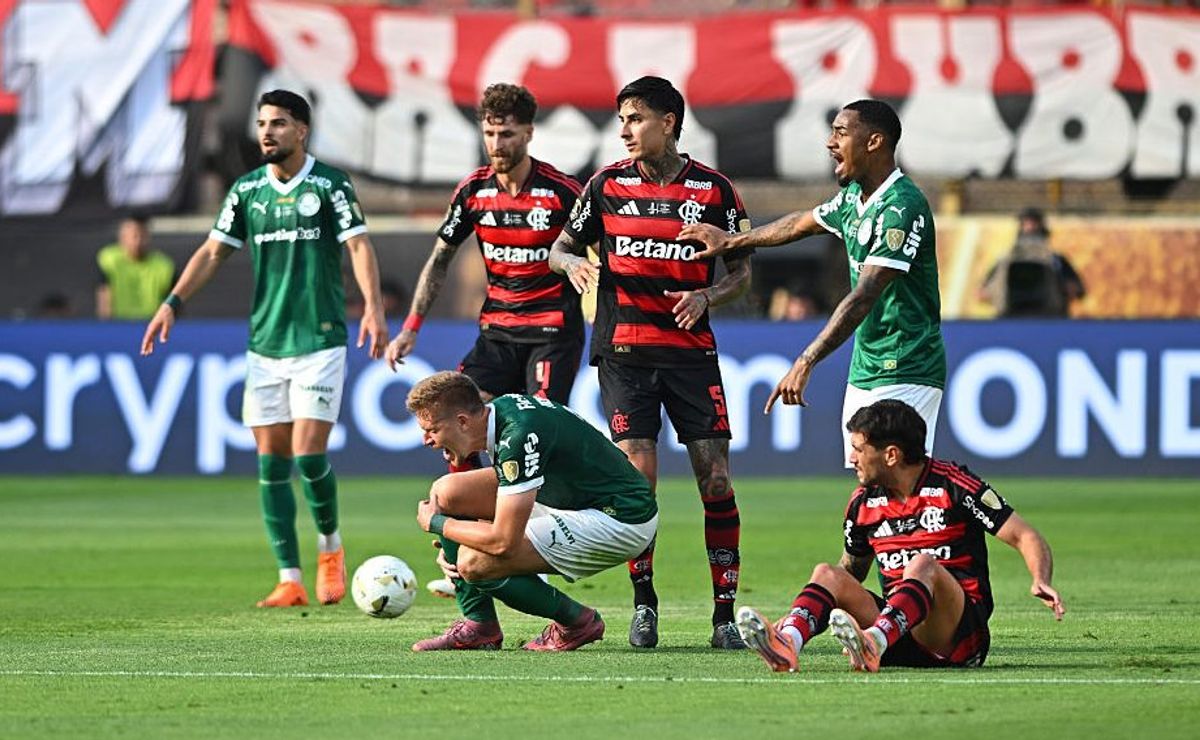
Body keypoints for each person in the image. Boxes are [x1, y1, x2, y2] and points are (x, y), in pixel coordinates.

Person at [140, 89, 389, 608]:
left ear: (302, 130)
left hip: (319, 339)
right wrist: (172, 303)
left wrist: (372, 305)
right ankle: (289, 577)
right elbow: (212, 252)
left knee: (307, 453)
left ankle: (330, 548)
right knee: (271, 462)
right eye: (261, 123)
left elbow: (359, 245)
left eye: (278, 123)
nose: (266, 132)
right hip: (265, 345)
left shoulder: (328, 185)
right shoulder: (247, 190)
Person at [549, 76, 753, 650]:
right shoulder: (605, 185)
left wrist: (708, 295)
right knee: (639, 481)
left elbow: (742, 270)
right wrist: (574, 268)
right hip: (624, 353)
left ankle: (724, 616)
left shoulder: (716, 191)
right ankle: (645, 606)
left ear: (668, 121)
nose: (625, 129)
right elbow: (560, 247)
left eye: (635, 118)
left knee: (715, 479)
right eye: (621, 119)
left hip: (690, 354)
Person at [385, 83, 584, 599]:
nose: (497, 144)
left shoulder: (563, 191)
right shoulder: (473, 190)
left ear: (529, 133)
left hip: (552, 334)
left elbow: (602, 255)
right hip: (495, 333)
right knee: (455, 422)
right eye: (490, 133)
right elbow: (440, 259)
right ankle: (459, 554)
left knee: (536, 439)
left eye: (508, 134)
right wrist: (410, 326)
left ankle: (529, 551)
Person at [680, 99, 945, 469]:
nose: (830, 142)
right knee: (866, 476)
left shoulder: (902, 207)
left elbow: (864, 296)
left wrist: (806, 360)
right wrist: (732, 241)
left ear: (873, 142)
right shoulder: (854, 198)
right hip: (866, 365)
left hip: (907, 362)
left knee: (901, 481)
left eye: (841, 132)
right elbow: (798, 224)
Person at [736, 399, 1065, 673]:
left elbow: (1024, 535)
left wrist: (1040, 578)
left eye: (859, 449)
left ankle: (872, 643)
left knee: (923, 564)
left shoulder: (954, 486)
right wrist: (806, 612)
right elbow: (850, 573)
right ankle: (787, 643)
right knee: (826, 573)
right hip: (900, 633)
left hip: (959, 636)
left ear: (891, 455)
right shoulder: (863, 503)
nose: (851, 459)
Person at [407, 371, 658, 652]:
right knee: (447, 492)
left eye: (432, 430)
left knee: (474, 562)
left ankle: (577, 622)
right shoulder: (502, 410)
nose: (425, 440)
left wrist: (440, 524)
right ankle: (479, 626)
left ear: (463, 422)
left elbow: (503, 541)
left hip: (620, 519)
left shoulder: (517, 436)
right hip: (569, 497)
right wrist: (457, 533)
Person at [981, 207, 1086, 317]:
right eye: (1026, 223)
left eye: (1034, 223)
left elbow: (1077, 289)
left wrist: (1066, 288)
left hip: (1050, 317)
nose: (1030, 227)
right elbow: (982, 293)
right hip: (1010, 316)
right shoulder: (1005, 260)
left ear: (1041, 226)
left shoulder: (1055, 260)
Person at [96, 215, 176, 319]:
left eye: (143, 236)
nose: (138, 242)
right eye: (134, 236)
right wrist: (106, 326)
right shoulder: (109, 260)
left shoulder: (164, 266)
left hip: (152, 326)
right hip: (118, 326)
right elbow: (104, 295)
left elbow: (172, 305)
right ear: (122, 237)